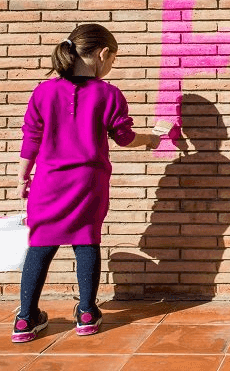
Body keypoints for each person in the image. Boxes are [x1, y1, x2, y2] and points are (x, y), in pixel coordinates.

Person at [12, 23, 160, 343]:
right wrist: (150, 139)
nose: (109, 67)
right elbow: (124, 137)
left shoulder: (43, 91)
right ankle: (88, 313)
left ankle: (25, 319)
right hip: (88, 181)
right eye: (111, 60)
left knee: (40, 244)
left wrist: (23, 176)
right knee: (86, 240)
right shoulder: (108, 94)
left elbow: (32, 137)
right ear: (103, 54)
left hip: (47, 183)